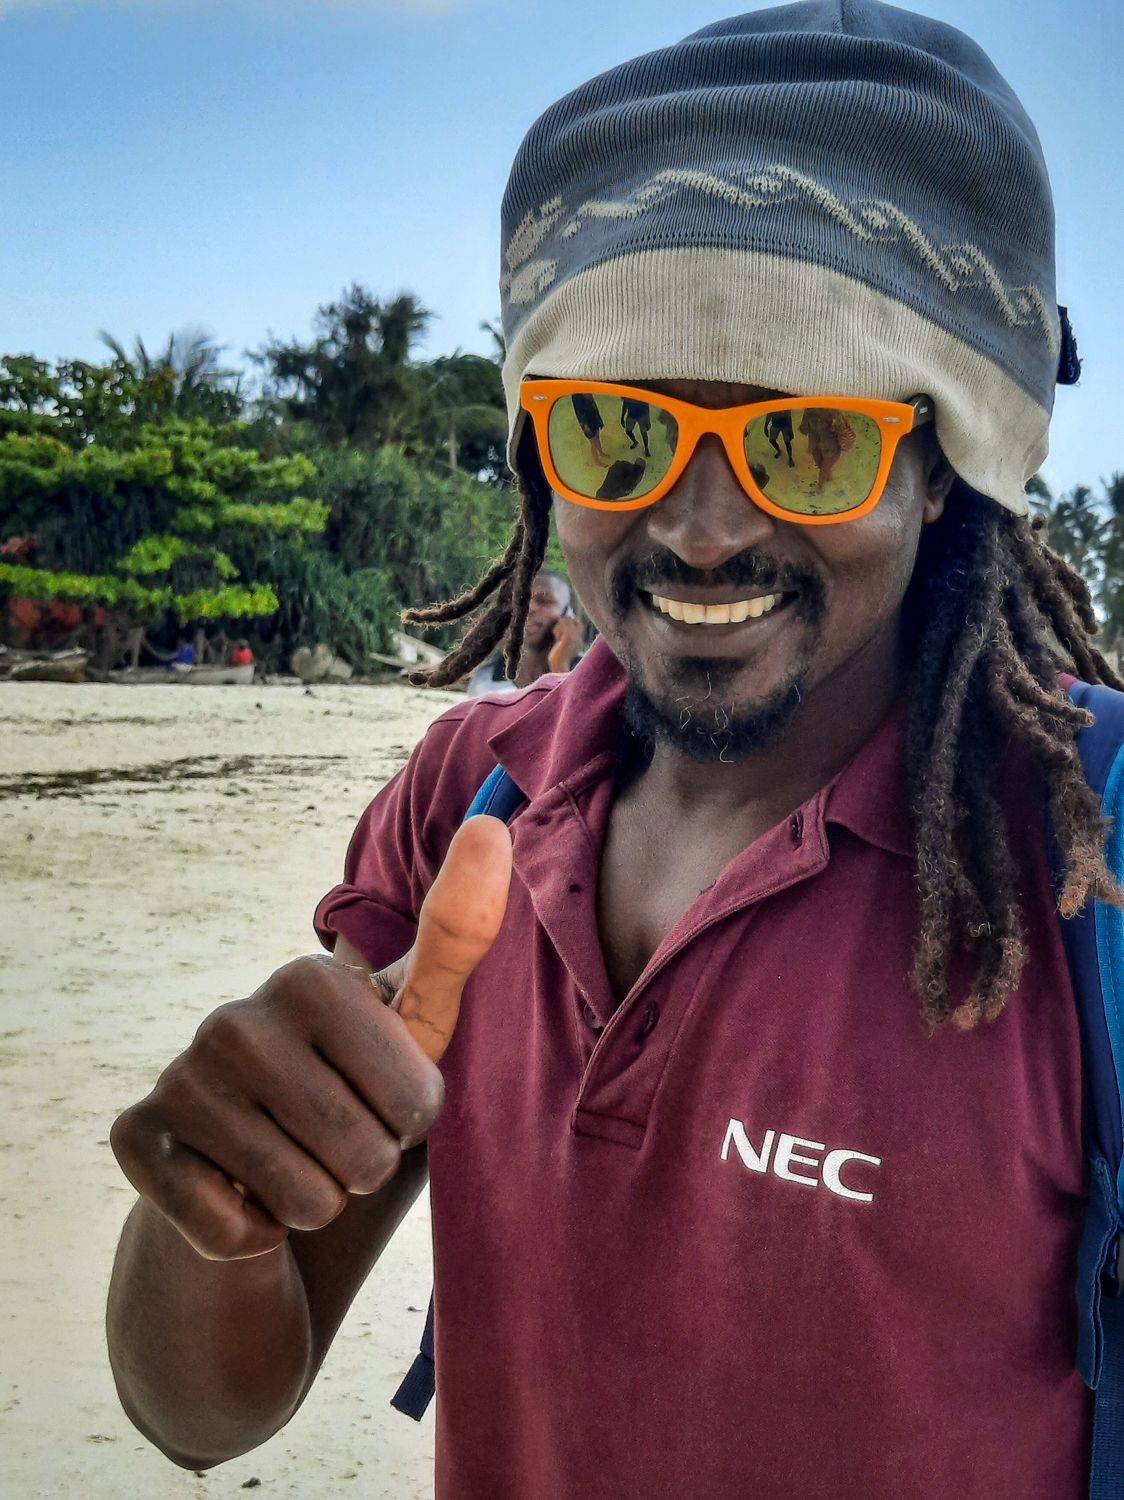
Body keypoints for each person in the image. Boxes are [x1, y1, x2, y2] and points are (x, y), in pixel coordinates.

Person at [105, 6, 1112, 1497]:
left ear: (941, 472)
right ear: (539, 459)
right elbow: (202, 1418)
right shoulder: (475, 799)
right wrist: (210, 1211)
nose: (700, 528)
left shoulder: (1085, 852)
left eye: (809, 443)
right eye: (615, 435)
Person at [464, 567, 583, 694]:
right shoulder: (483, 681)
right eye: (517, 600)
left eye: (544, 601)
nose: (528, 608)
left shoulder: (590, 669)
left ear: (568, 615)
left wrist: (560, 666)